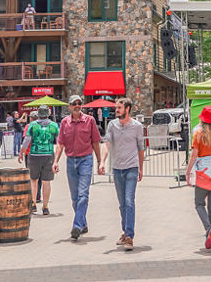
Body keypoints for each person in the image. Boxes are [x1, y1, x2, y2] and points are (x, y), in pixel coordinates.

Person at [54, 94, 103, 240]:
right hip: (70, 161)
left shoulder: (90, 121)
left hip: (86, 160)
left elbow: (95, 142)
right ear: (69, 106)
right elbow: (60, 143)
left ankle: (76, 226)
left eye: (79, 103)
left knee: (83, 195)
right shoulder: (64, 122)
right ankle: (83, 223)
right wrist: (55, 161)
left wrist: (100, 162)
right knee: (74, 198)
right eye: (74, 103)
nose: (77, 105)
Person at [100, 97, 145, 251]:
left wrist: (141, 168)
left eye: (119, 108)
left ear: (127, 109)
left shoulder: (137, 126)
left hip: (132, 167)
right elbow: (107, 144)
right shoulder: (112, 125)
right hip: (117, 169)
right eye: (116, 108)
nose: (116, 110)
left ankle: (130, 237)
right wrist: (102, 162)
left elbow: (141, 147)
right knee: (122, 204)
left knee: (129, 201)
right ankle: (125, 232)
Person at [185, 106, 211, 250]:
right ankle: (210, 236)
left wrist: (188, 171)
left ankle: (209, 229)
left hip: (204, 170)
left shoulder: (198, 134)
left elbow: (194, 155)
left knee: (198, 203)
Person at [20, 106, 58, 215]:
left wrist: (21, 153)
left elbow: (27, 140)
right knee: (46, 182)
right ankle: (45, 207)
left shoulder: (32, 125)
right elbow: (59, 141)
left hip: (34, 154)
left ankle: (33, 204)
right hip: (49, 154)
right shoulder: (54, 125)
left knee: (33, 180)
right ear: (48, 113)